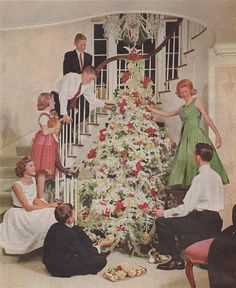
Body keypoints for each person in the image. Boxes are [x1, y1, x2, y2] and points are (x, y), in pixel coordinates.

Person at [152, 143, 224, 270]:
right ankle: (203, 258)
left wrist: (164, 213)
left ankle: (176, 260)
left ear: (197, 157)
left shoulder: (200, 178)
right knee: (187, 225)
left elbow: (186, 209)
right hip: (216, 222)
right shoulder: (217, 176)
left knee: (161, 222)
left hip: (201, 221)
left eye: (194, 154)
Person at [146, 79, 229, 187]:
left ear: (190, 90)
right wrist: (150, 109)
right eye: (181, 92)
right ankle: (191, 189)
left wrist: (218, 135)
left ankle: (200, 187)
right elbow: (167, 114)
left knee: (196, 160)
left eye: (185, 91)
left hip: (196, 136)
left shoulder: (197, 102)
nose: (184, 94)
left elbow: (207, 118)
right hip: (185, 138)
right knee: (185, 161)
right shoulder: (182, 108)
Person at [0, 156, 58, 254]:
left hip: (31, 208)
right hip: (19, 213)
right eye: (31, 166)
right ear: (23, 169)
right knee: (49, 211)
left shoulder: (33, 180)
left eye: (34, 165)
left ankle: (48, 244)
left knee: (52, 211)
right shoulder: (16, 185)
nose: (34, 167)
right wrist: (49, 206)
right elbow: (27, 207)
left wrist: (51, 205)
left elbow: (34, 200)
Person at [30, 93, 77, 202]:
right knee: (41, 170)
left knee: (44, 171)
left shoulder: (49, 115)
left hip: (48, 143)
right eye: (52, 101)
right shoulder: (43, 116)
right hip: (44, 144)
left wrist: (59, 122)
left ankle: (40, 196)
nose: (54, 102)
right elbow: (45, 131)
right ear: (47, 102)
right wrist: (56, 128)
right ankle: (40, 197)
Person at [42, 203, 107, 277]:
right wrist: (100, 246)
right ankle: (94, 250)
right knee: (101, 259)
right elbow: (83, 255)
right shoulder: (69, 234)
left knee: (76, 229)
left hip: (49, 263)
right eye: (73, 213)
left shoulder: (54, 226)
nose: (75, 214)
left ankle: (92, 248)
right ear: (69, 217)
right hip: (59, 269)